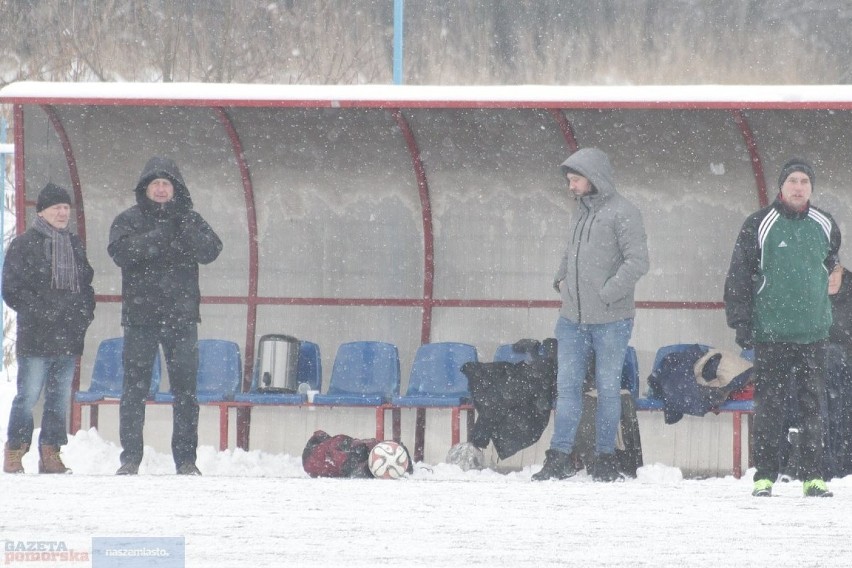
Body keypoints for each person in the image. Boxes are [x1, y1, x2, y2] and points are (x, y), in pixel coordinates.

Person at [724, 157, 840, 498]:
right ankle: (764, 475)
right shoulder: (759, 223)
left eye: (805, 182)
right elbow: (739, 276)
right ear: (781, 186)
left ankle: (812, 477)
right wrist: (741, 322)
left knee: (812, 406)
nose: (799, 187)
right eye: (793, 181)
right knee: (770, 405)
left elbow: (831, 265)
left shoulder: (825, 223)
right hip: (771, 332)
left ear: (811, 188)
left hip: (814, 333)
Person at [533, 147, 649, 482]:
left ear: (594, 178)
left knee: (607, 388)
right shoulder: (579, 212)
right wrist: (560, 279)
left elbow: (638, 261)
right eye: (569, 180)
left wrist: (608, 293)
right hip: (572, 319)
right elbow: (570, 251)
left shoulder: (624, 212)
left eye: (576, 179)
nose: (571, 186)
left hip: (612, 320)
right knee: (566, 386)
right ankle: (558, 456)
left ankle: (604, 458)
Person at [108, 157, 222, 476]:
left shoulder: (189, 219)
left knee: (185, 392)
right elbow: (119, 253)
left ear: (176, 190)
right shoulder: (128, 220)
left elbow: (212, 250)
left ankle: (186, 460)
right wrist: (158, 236)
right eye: (155, 184)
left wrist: (184, 231)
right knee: (134, 390)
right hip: (140, 318)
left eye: (166, 184)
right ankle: (130, 459)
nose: (160, 189)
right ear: (145, 188)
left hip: (182, 318)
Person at [3, 183, 95, 474]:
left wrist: (83, 315)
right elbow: (12, 288)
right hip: (36, 334)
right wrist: (41, 312)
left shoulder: (75, 244)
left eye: (66, 207)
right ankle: (15, 450)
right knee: (28, 395)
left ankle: (51, 452)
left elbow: (86, 285)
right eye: (56, 207)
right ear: (41, 211)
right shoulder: (24, 244)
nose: (62, 212)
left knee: (58, 398)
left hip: (68, 335)